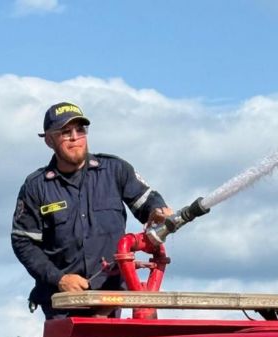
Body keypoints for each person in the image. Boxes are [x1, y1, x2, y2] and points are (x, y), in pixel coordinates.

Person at [10, 102, 174, 318]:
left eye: (80, 130)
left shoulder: (115, 170)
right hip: (63, 304)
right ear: (49, 140)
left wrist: (159, 210)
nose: (74, 137)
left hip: (110, 299)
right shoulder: (36, 186)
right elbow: (23, 241)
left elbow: (148, 203)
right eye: (65, 132)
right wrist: (59, 278)